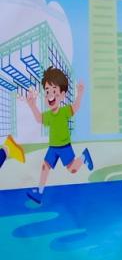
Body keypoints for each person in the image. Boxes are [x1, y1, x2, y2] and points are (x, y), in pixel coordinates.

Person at [23, 68, 92, 205]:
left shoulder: (65, 111)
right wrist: (32, 105)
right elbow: (39, 118)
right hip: (53, 148)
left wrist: (80, 93)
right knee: (45, 166)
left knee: (72, 169)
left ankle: (84, 157)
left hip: (64, 147)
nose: (50, 95)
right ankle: (39, 192)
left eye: (54, 91)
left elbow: (76, 107)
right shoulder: (48, 115)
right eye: (47, 91)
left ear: (62, 95)